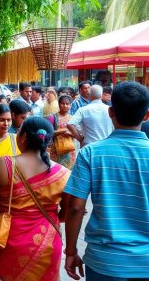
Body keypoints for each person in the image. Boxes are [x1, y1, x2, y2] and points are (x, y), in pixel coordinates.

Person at [64, 82, 149, 281]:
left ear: (111, 112)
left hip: (104, 262)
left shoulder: (90, 153)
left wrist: (70, 252)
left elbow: (76, 208)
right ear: (146, 115)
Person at [0, 117, 70, 280]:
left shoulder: (3, 164)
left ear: (23, 137)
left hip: (8, 239)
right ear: (49, 142)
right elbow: (67, 214)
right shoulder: (63, 173)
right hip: (47, 241)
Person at [47, 95, 76, 169]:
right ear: (59, 104)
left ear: (70, 105)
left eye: (67, 104)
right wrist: (63, 130)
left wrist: (69, 133)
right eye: (62, 104)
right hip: (55, 150)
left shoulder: (73, 118)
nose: (65, 106)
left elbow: (77, 134)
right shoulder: (52, 117)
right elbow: (49, 133)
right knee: (56, 171)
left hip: (69, 150)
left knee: (68, 171)